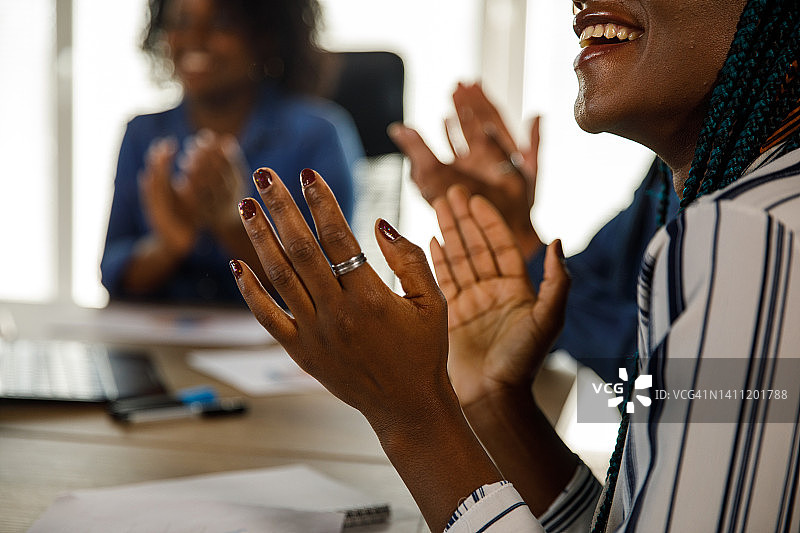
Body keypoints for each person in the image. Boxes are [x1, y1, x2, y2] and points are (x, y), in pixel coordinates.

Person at [228, 1, 800, 532]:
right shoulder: (713, 192)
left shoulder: (750, 233)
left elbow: (625, 355)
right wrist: (493, 402)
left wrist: (412, 412)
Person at [389, 83, 680, 384]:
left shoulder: (726, 194)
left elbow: (680, 380)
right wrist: (508, 233)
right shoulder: (670, 172)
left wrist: (520, 242)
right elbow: (589, 285)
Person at [100, 0, 362, 304]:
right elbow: (112, 271)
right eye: (181, 21)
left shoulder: (316, 135)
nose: (195, 38)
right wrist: (168, 246)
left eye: (222, 23)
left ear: (264, 36)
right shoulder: (143, 134)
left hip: (280, 350)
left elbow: (331, 288)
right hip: (158, 346)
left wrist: (232, 224)